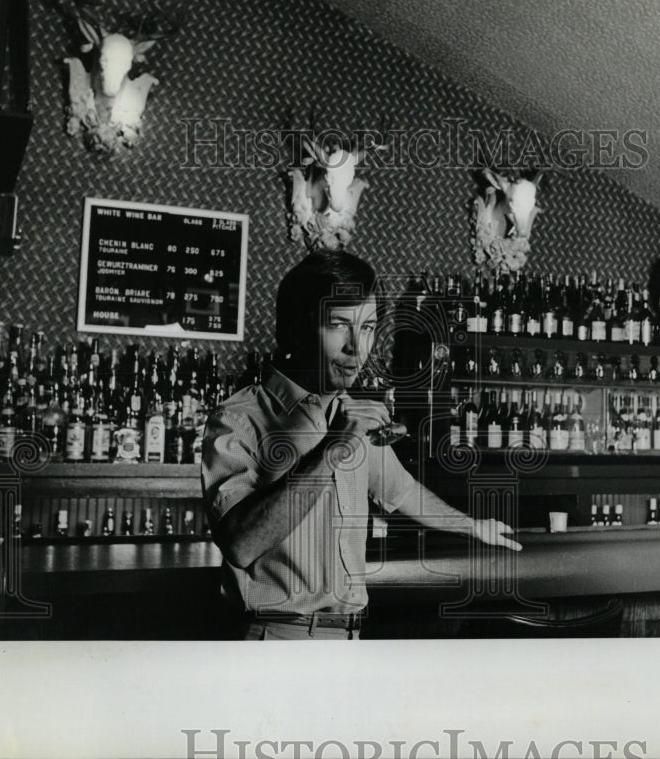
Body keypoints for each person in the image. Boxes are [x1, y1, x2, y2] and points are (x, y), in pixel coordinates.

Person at [201, 249, 521, 640]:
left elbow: (401, 491)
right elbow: (241, 544)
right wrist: (334, 447)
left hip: (349, 638)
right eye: (339, 325)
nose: (358, 347)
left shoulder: (351, 413)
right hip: (279, 640)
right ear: (299, 328)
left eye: (368, 327)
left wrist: (472, 525)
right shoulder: (238, 419)